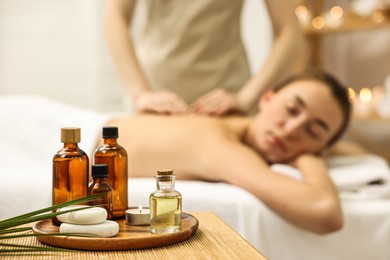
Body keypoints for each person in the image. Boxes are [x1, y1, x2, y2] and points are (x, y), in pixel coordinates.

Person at [103, 70, 352, 234]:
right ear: (266, 98)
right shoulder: (220, 143)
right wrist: (312, 158)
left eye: (314, 132)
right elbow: (324, 211)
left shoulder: (228, 125)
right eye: (291, 109)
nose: (291, 129)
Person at [103, 0, 304, 115]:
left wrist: (245, 98)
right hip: (154, 101)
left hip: (225, 103)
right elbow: (114, 18)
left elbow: (290, 32)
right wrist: (141, 94)